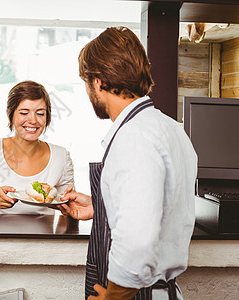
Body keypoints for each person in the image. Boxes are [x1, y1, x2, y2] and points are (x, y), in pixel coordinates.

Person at [59, 27, 197, 300]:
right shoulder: (170, 128)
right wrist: (100, 208)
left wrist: (113, 297)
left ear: (97, 82)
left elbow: (138, 240)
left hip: (139, 295)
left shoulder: (134, 137)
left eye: (87, 83)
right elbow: (160, 209)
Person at [0, 80, 74, 215]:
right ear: (11, 115)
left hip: (46, 236)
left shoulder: (61, 156)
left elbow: (70, 209)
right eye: (23, 113)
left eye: (40, 113)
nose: (33, 120)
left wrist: (67, 208)